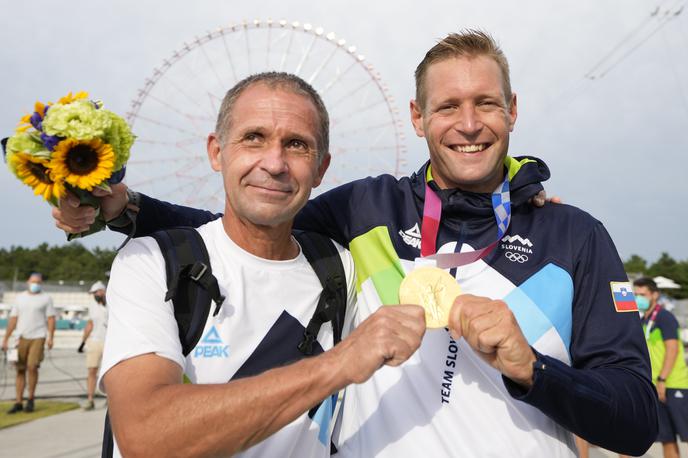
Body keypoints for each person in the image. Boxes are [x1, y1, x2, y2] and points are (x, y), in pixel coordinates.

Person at [53, 31, 657, 456]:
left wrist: (536, 371)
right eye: (448, 106)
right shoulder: (369, 206)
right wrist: (127, 210)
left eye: (486, 104)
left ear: (512, 111)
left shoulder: (577, 234)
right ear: (418, 118)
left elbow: (635, 422)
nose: (468, 124)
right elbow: (254, 221)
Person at [98, 72, 426, 457]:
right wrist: (338, 364)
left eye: (297, 145)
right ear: (217, 152)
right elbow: (146, 438)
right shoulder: (151, 263)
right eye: (254, 138)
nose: (274, 163)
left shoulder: (339, 267)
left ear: (321, 168)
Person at [635, 277, 688, 458]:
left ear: (655, 295)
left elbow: (672, 349)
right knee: (667, 438)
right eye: (636, 294)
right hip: (656, 386)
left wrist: (663, 379)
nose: (638, 297)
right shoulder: (643, 320)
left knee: (685, 435)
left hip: (674, 384)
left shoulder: (665, 317)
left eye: (642, 294)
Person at [1, 273, 56, 414]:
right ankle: (18, 401)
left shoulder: (46, 298)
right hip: (20, 337)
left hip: (38, 336)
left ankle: (30, 399)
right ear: (28, 282)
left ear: (41, 283)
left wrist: (50, 337)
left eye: (38, 282)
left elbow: (51, 319)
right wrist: (6, 338)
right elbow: (13, 318)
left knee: (32, 367)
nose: (35, 284)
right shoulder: (20, 298)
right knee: (19, 370)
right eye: (33, 281)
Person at [77, 280, 108, 410]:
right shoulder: (92, 305)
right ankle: (90, 399)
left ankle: (110, 399)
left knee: (109, 372)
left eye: (96, 292)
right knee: (92, 370)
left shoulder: (112, 303)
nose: (94, 295)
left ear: (102, 291)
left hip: (109, 341)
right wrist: (83, 341)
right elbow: (90, 324)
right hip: (95, 340)